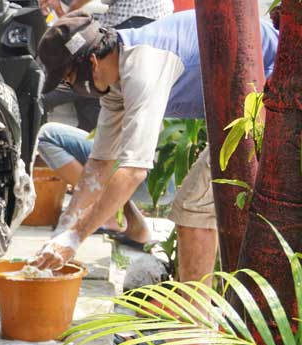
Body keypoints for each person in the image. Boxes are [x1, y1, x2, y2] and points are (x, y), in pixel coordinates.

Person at [29, 10, 279, 285]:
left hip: (273, 89)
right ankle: (195, 307)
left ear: (91, 62)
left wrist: (76, 237)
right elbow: (100, 164)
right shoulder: (115, 82)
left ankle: (194, 311)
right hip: (240, 102)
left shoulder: (143, 67)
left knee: (194, 208)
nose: (70, 86)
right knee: (194, 208)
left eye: (68, 78)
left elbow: (133, 171)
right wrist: (63, 233)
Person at [40, 0, 174, 131]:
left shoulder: (135, 71)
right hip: (138, 20)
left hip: (135, 18)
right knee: (92, 87)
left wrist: (68, 11)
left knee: (89, 79)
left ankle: (38, 100)